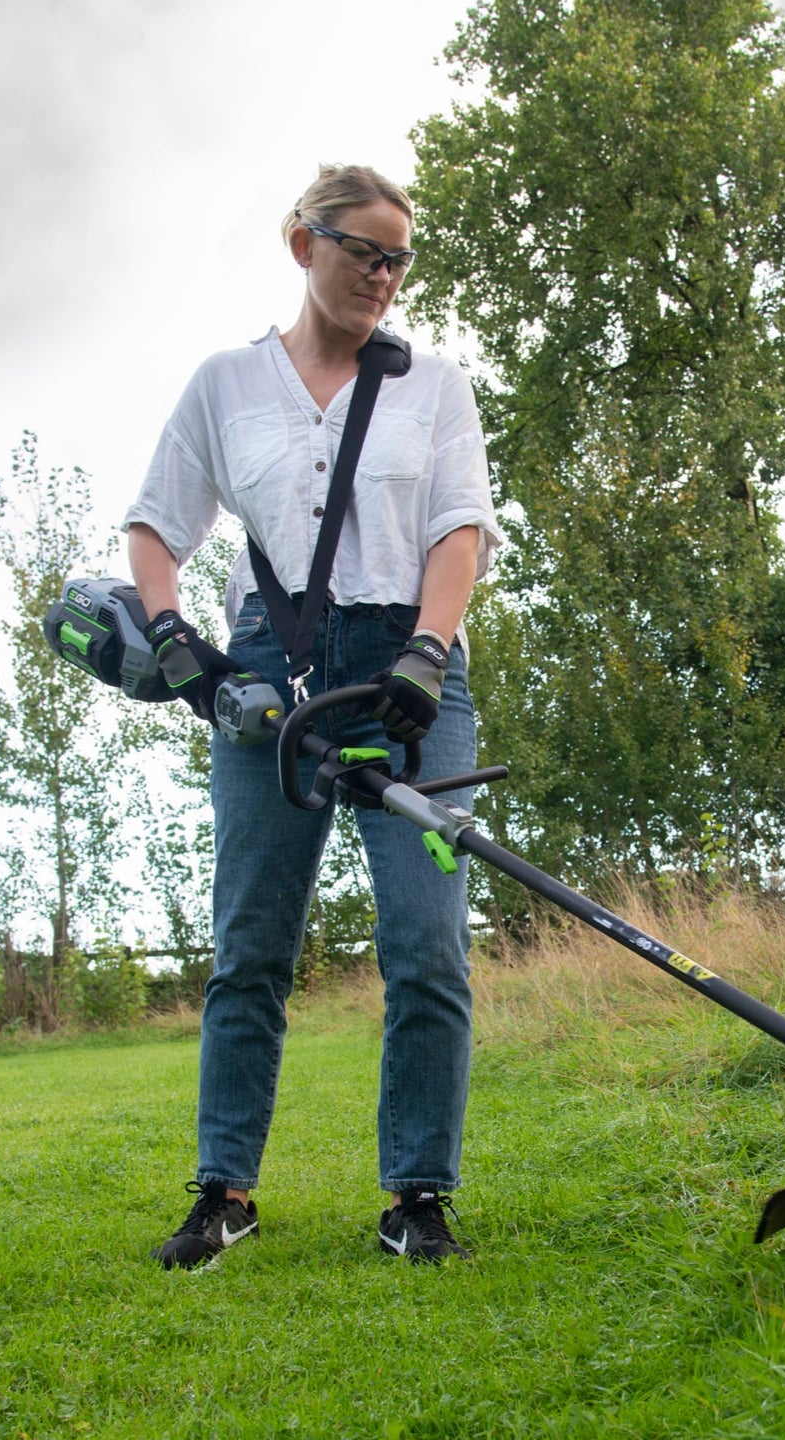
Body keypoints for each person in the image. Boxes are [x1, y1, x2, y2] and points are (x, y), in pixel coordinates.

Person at [123, 164, 502, 1266]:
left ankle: (418, 1194)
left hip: (407, 673)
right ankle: (223, 1189)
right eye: (362, 252)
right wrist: (178, 644)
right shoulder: (224, 386)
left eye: (399, 261)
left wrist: (429, 652)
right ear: (303, 243)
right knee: (251, 941)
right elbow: (155, 528)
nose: (382, 277)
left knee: (425, 939)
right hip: (269, 678)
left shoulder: (435, 387)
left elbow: (459, 533)